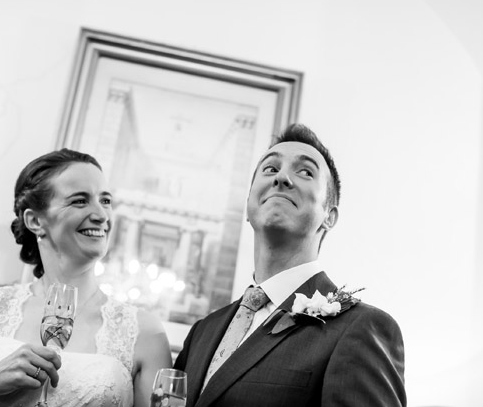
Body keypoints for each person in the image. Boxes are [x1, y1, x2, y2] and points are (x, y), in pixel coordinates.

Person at [174, 124, 406, 406]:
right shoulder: (203, 331)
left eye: (305, 171)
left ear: (329, 216)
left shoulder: (360, 328)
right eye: (270, 169)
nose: (282, 177)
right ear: (249, 203)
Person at [0, 148, 172, 407]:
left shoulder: (145, 333)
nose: (101, 215)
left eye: (105, 200)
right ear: (35, 221)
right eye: (80, 200)